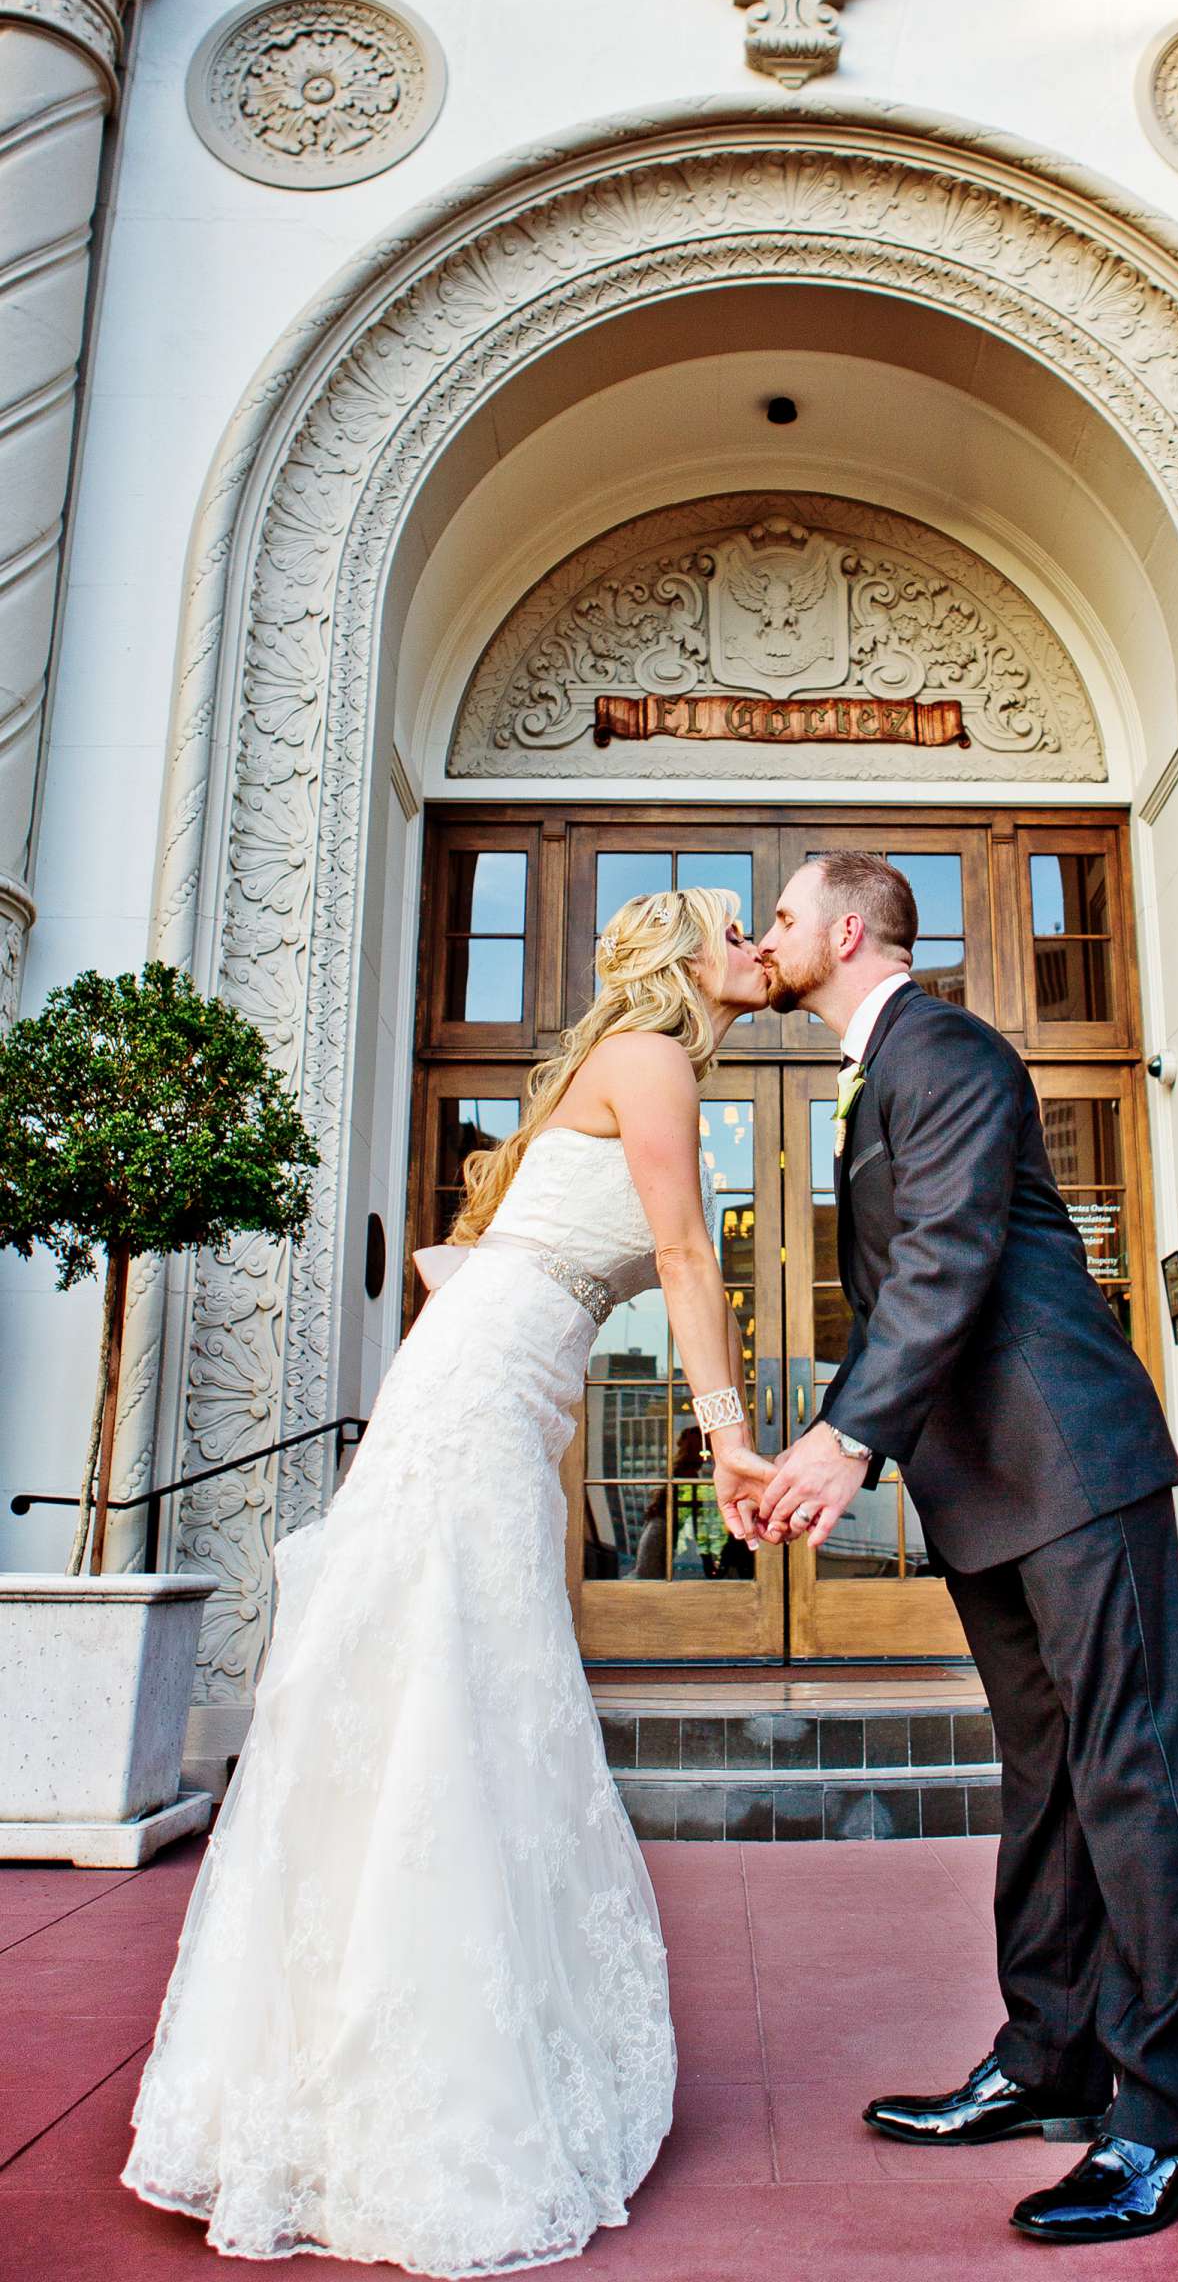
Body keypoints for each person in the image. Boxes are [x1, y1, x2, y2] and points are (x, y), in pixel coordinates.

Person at [123, 888, 773, 2276]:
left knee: (460, 1693)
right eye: (735, 928)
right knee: (448, 1697)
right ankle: (390, 2096)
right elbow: (680, 1254)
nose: (753, 947)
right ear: (682, 964)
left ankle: (392, 2054)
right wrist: (726, 1441)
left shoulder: (641, 1063)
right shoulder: (653, 1058)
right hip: (479, 1396)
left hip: (495, 1390)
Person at [755, 852, 1178, 2249]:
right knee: (1048, 1778)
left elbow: (950, 1254)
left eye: (781, 917)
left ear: (846, 931)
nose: (765, 935)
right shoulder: (873, 1068)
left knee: (1132, 1775)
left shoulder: (946, 1044)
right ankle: (1047, 2062)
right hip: (992, 1484)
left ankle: (1165, 2127)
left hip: (1075, 1464)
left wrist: (847, 1438)